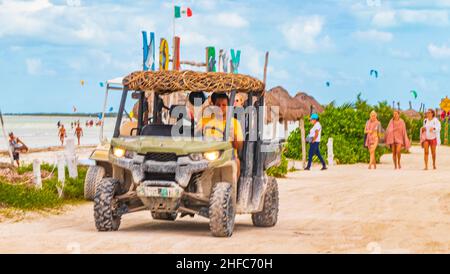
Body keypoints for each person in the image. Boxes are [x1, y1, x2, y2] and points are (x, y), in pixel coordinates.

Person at [199, 93, 244, 178]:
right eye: (218, 105)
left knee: (236, 162)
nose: (220, 107)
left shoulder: (234, 123)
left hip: (226, 158)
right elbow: (194, 136)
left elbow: (239, 145)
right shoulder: (205, 121)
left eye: (224, 105)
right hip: (205, 156)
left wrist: (232, 136)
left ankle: (232, 188)